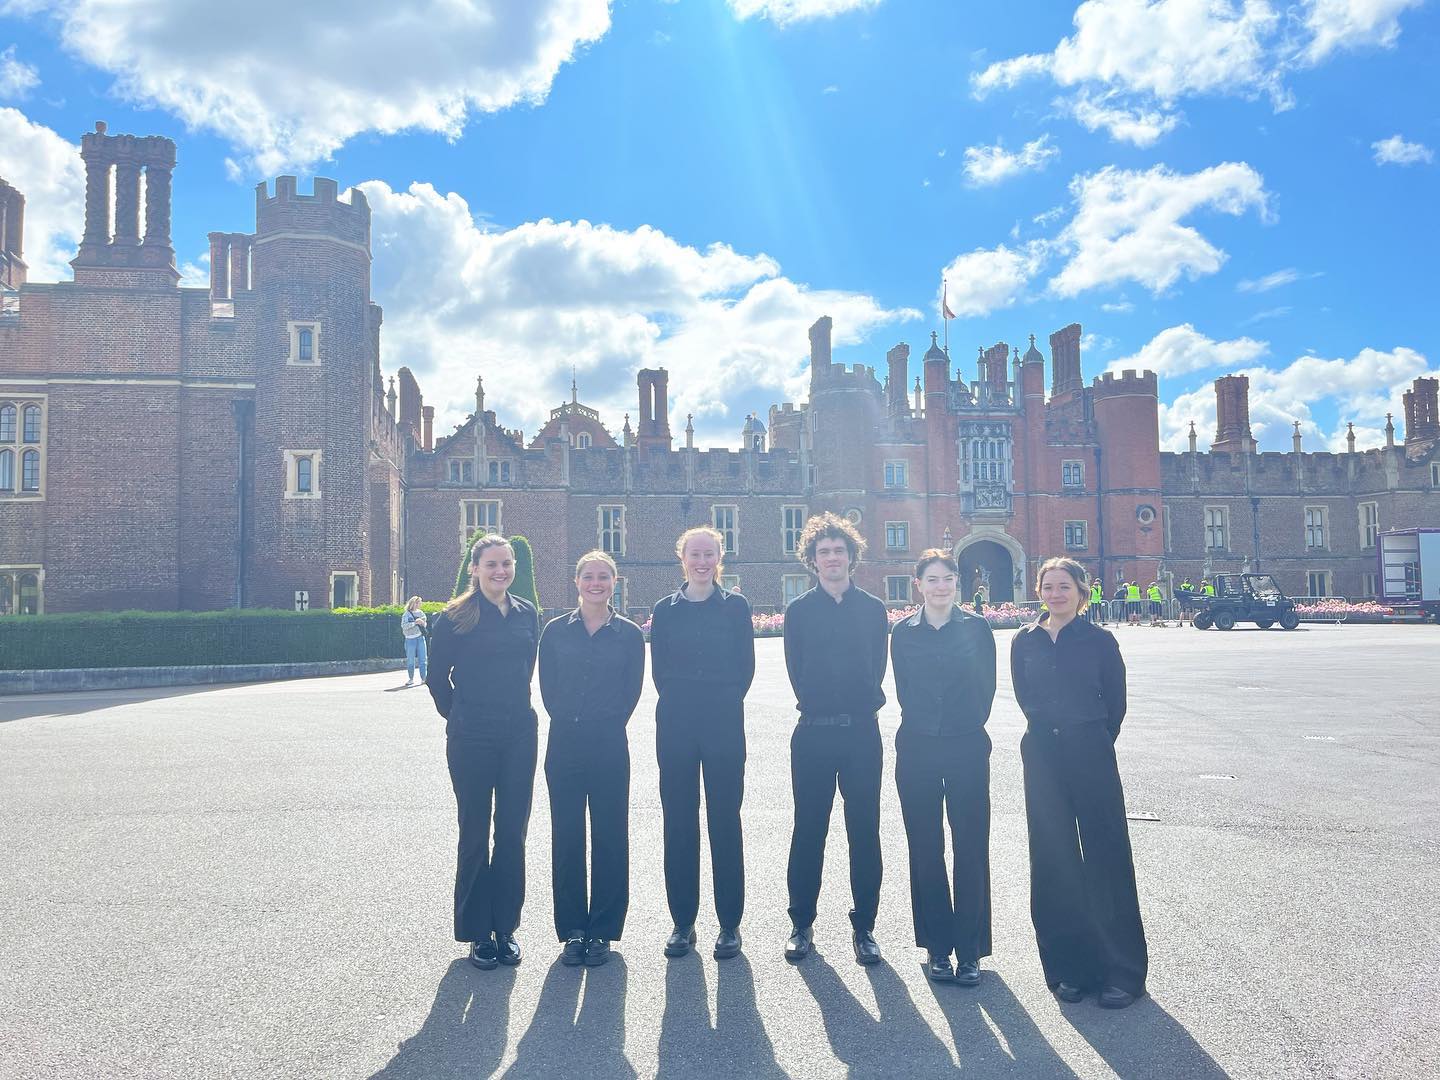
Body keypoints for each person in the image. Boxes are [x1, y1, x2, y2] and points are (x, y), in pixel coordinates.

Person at [1010, 556, 1148, 1009]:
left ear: (1081, 591)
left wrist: (1090, 737)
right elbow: (1024, 696)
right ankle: (1069, 967)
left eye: (1064, 586)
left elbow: (1116, 704)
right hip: (1043, 756)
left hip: (1090, 750)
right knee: (1054, 858)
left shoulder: (1100, 641)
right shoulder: (1023, 641)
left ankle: (1121, 972)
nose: (1055, 594)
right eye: (1048, 586)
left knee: (1105, 853)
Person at [426, 535, 540, 970]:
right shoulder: (455, 616)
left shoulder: (527, 613)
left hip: (518, 733)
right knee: (474, 830)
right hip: (472, 734)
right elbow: (438, 677)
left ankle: (505, 928)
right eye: (491, 564)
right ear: (474, 568)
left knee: (512, 832)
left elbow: (526, 669)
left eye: (506, 563)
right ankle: (477, 933)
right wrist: (459, 716)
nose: (500, 571)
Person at [782, 512, 889, 966]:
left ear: (852, 557)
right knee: (810, 830)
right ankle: (801, 923)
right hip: (813, 735)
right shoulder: (799, 611)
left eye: (839, 550)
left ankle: (865, 927)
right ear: (812, 559)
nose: (832, 558)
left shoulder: (872, 609)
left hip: (862, 733)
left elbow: (877, 668)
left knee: (864, 831)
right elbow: (795, 671)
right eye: (823, 551)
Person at [889, 549, 996, 986]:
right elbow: (902, 687)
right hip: (916, 747)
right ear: (919, 585)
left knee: (970, 846)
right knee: (926, 850)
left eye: (947, 579)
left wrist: (963, 722)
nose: (940, 587)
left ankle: (970, 951)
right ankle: (937, 948)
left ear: (958, 583)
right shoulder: (903, 632)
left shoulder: (977, 628)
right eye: (931, 579)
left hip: (966, 743)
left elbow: (986, 686)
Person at [648, 526, 756, 960]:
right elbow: (659, 672)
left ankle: (729, 924)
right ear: (682, 558)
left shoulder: (736, 607)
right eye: (694, 553)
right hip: (675, 725)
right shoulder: (665, 610)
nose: (702, 561)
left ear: (719, 558)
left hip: (724, 724)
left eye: (709, 554)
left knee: (725, 821)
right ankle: (682, 922)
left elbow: (745, 669)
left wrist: (719, 702)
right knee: (678, 822)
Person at [538, 550, 645, 968]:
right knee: (566, 836)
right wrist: (568, 717)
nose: (595, 583)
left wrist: (606, 721)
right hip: (564, 740)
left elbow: (631, 690)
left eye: (603, 576)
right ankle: (572, 930)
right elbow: (546, 686)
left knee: (610, 836)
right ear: (576, 581)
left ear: (613, 582)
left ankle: (602, 928)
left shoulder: (629, 634)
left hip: (608, 741)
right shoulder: (555, 631)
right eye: (588, 576)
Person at [401, 596, 428, 686]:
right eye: (417, 602)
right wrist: (414, 623)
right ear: (412, 603)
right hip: (410, 639)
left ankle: (424, 678)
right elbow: (404, 626)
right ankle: (411, 679)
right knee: (410, 660)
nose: (419, 604)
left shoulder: (421, 613)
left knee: (423, 660)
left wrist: (422, 623)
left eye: (419, 603)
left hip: (420, 638)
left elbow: (425, 624)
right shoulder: (406, 614)